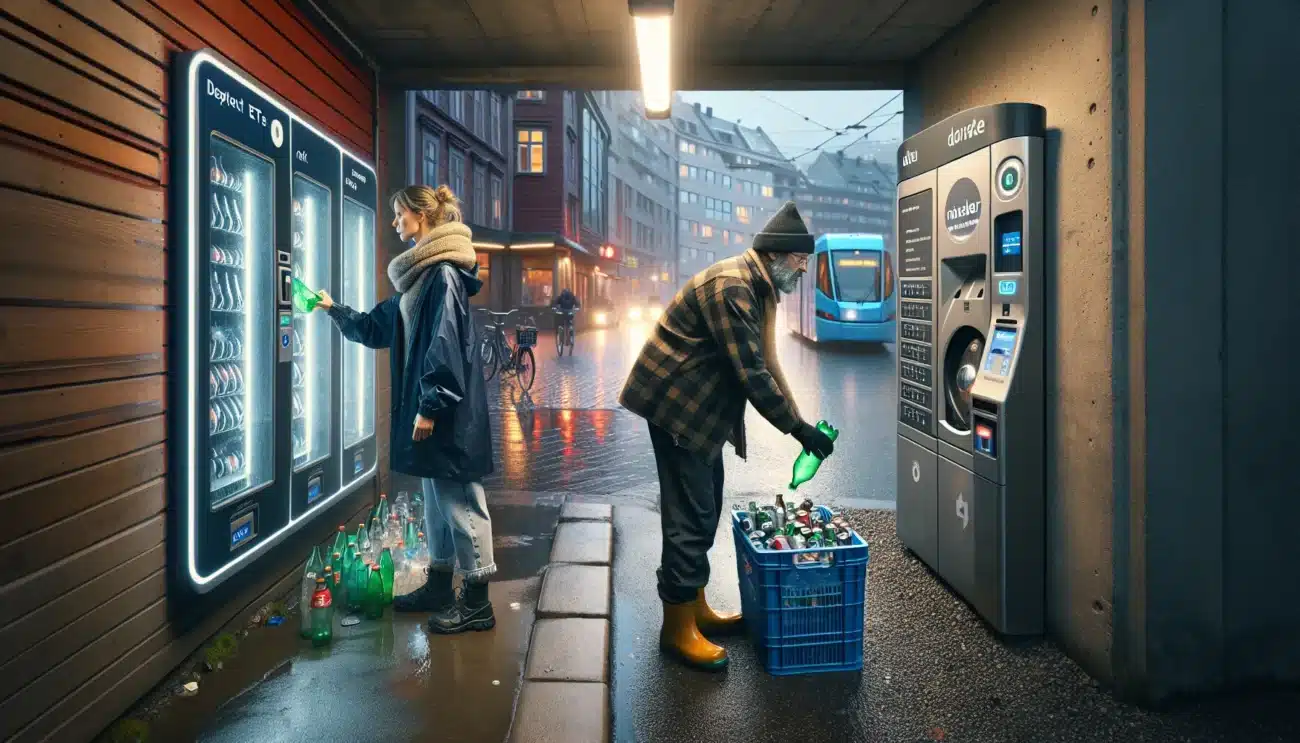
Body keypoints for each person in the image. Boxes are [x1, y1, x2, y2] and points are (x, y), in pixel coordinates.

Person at [618, 201, 836, 671]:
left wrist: (801, 427)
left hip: (701, 412)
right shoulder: (733, 288)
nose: (803, 269)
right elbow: (752, 374)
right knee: (690, 516)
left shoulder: (759, 288)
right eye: (800, 260)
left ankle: (694, 608)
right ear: (776, 254)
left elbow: (769, 364)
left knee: (707, 504)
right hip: (679, 410)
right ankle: (676, 628)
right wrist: (797, 429)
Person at [313, 184, 497, 635]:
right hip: (435, 409)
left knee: (461, 503)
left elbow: (445, 342)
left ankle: (478, 603)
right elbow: (377, 327)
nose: (395, 221)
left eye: (400, 214)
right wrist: (334, 309)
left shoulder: (443, 275)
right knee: (437, 503)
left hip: (448, 414)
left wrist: (430, 405)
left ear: (421, 215)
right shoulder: (420, 277)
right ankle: (439, 585)